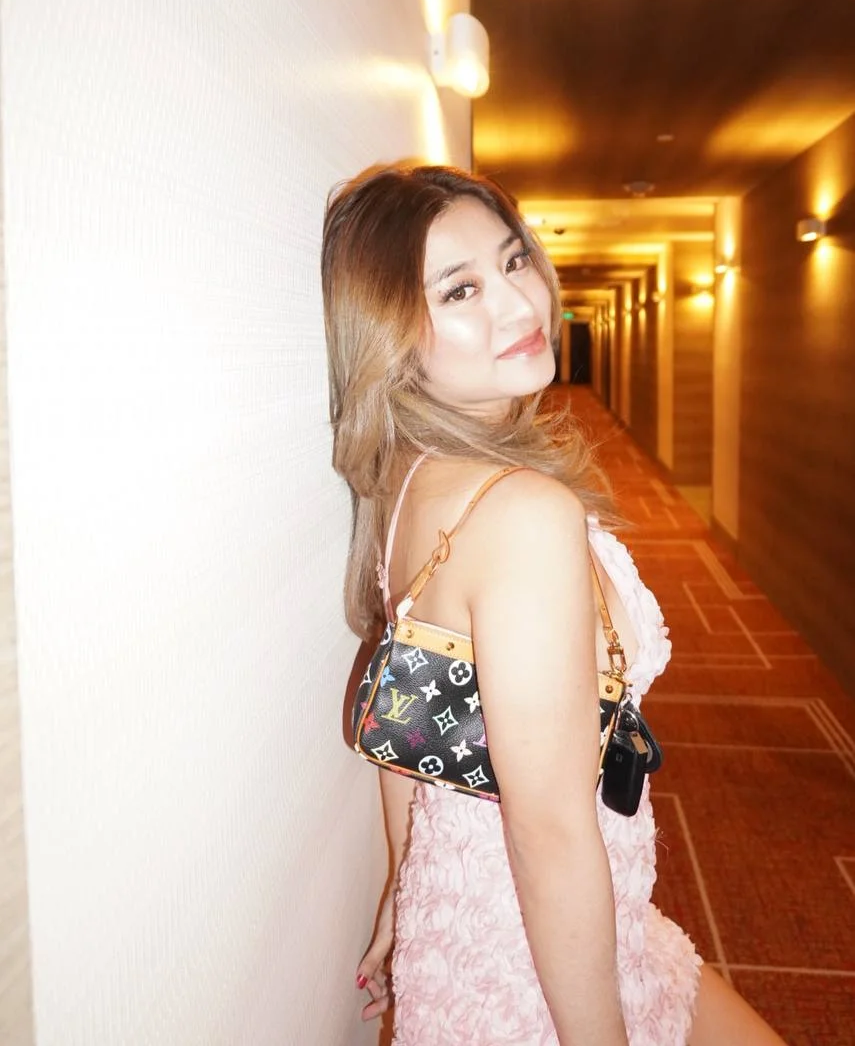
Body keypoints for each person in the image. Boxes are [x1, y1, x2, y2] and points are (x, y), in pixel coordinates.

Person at [321, 163, 787, 1046]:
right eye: (459, 290)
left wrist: (403, 888)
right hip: (540, 964)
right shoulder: (522, 513)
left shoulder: (409, 480)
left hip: (489, 916)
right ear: (388, 335)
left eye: (511, 261)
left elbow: (410, 713)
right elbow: (549, 833)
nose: (519, 303)